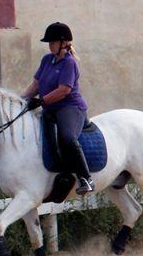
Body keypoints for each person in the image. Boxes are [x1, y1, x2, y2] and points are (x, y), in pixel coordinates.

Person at [22, 22, 94, 194]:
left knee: (67, 137)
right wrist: (21, 100)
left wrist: (41, 101)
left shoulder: (69, 63)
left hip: (70, 107)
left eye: (53, 42)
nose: (50, 45)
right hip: (50, 108)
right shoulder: (47, 60)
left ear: (64, 43)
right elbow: (36, 84)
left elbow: (64, 90)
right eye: (49, 42)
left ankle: (86, 178)